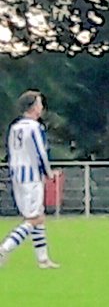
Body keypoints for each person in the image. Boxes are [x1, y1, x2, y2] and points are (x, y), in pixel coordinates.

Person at [0, 90, 60, 269]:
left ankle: (43, 260)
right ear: (33, 107)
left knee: (37, 216)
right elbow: (41, 152)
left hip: (17, 175)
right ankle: (4, 247)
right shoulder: (35, 127)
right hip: (31, 177)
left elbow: (10, 152)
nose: (42, 108)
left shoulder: (15, 127)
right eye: (40, 104)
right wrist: (49, 173)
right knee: (33, 219)